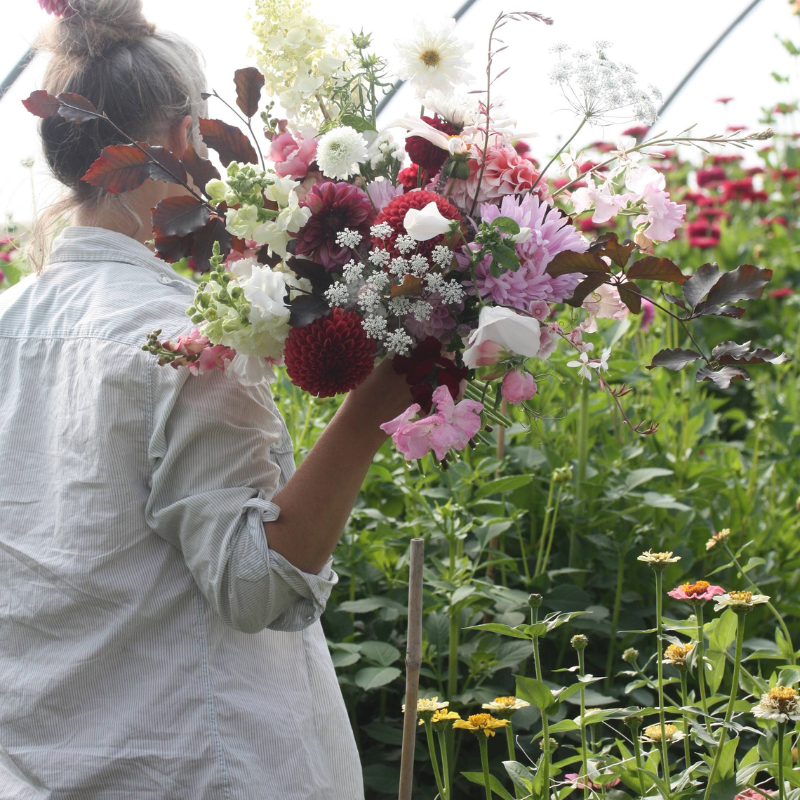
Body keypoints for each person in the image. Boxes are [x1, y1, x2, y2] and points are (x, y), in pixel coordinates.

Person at [0, 1, 413, 797]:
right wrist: (372, 405)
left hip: (37, 758)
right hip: (196, 761)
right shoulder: (188, 342)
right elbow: (255, 584)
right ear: (185, 141)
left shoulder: (11, 322)